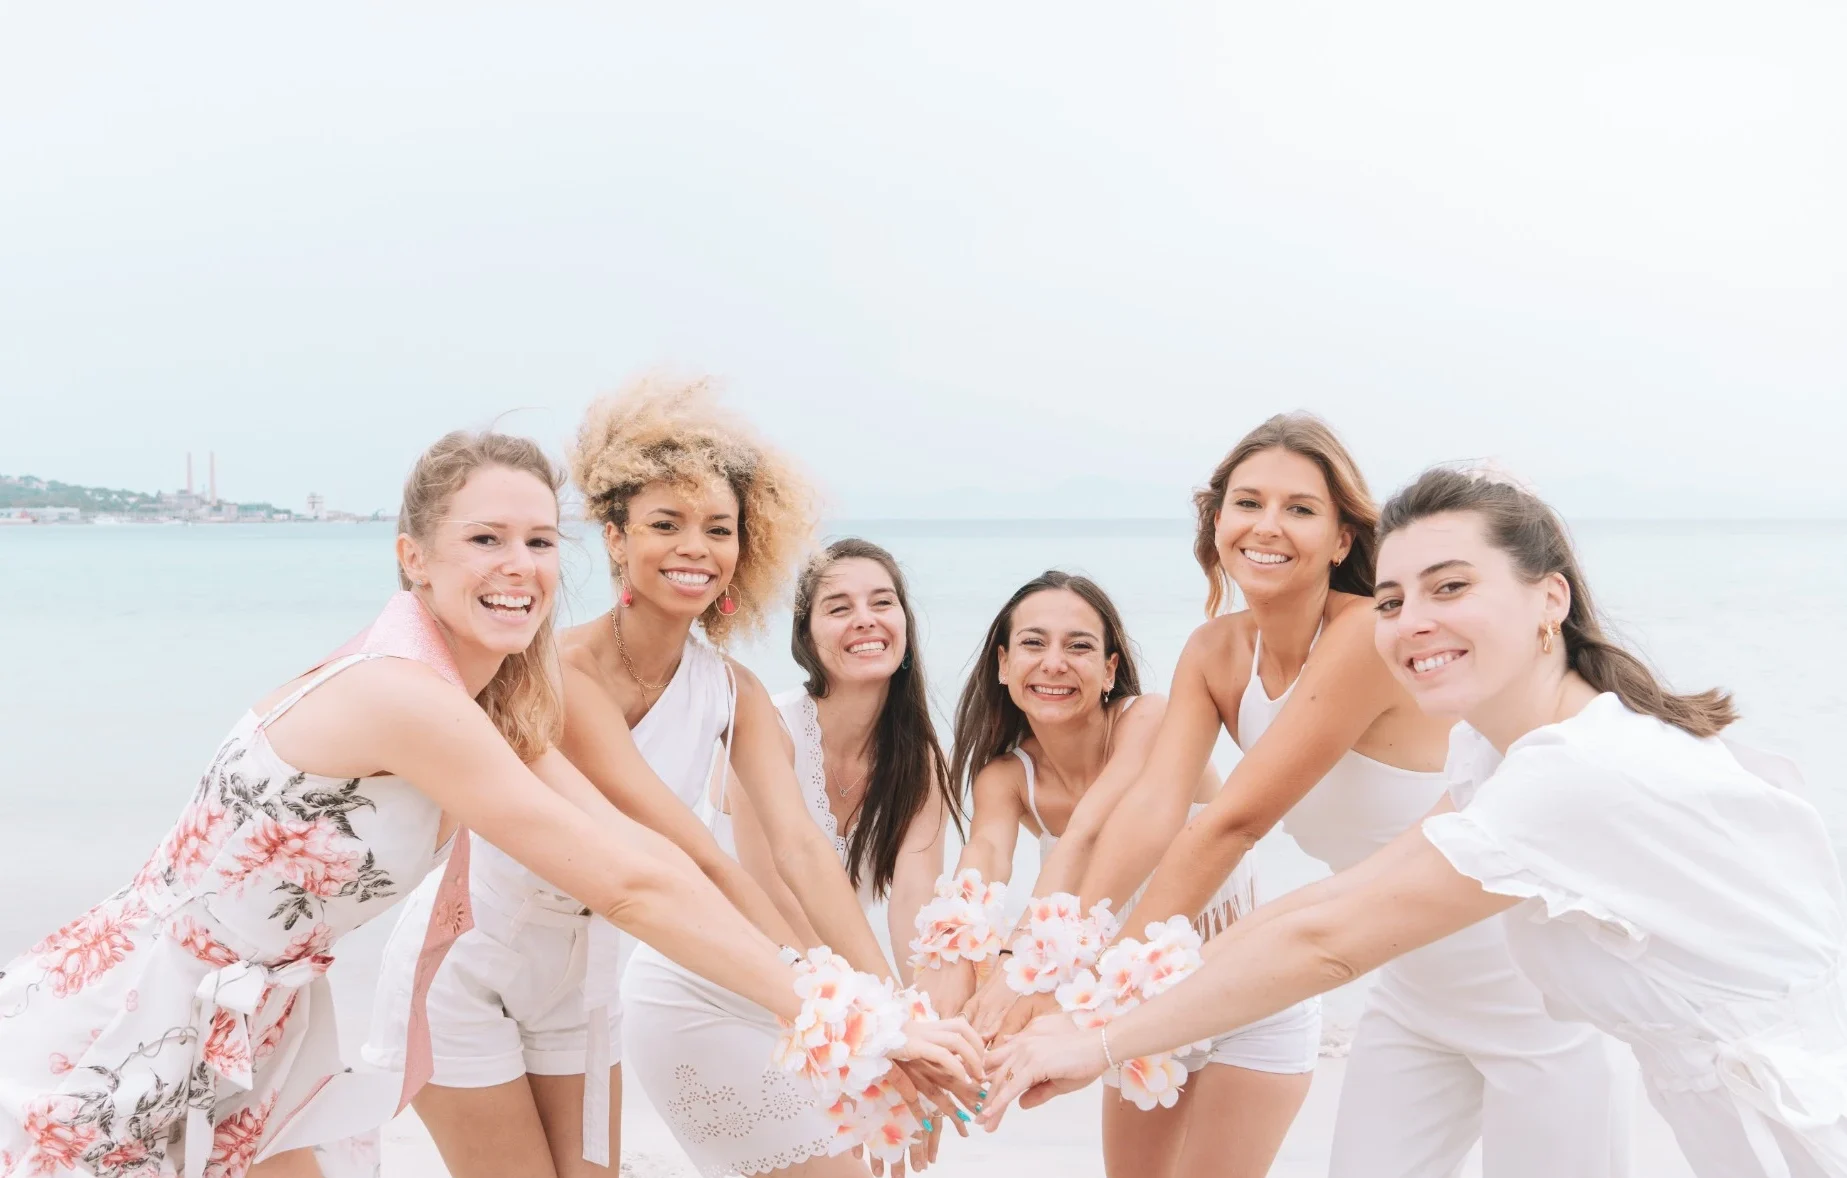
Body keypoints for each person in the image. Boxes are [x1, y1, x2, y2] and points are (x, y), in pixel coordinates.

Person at [0, 430, 970, 1178]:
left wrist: (863, 1009)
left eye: (538, 539)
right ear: (412, 556)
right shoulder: (404, 694)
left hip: (269, 1019)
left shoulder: (495, 697)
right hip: (139, 1016)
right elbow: (633, 880)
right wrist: (851, 1020)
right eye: (484, 539)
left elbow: (670, 866)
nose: (520, 563)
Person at [982, 464, 1847, 1178]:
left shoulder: (1572, 773)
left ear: (1549, 599)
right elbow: (1344, 896)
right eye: (1391, 599)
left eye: (1451, 587)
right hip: (1647, 1080)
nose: (1409, 623)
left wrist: (1099, 1038)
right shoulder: (1491, 747)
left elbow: (1332, 941)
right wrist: (1099, 1006)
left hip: (1791, 1110)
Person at [927, 570, 1315, 1178]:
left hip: (1247, 996)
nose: (1054, 662)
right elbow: (981, 866)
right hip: (1135, 1010)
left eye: (1078, 646)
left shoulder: (1154, 721)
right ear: (1002, 665)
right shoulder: (1006, 777)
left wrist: (1020, 966)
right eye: (1033, 643)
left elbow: (1083, 836)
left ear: (1110, 670)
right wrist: (948, 993)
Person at [723, 538, 969, 1171]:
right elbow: (780, 902)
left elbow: (914, 918)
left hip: (823, 1009)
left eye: (882, 602)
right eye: (838, 606)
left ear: (905, 627)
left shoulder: (919, 767)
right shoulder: (765, 732)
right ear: (806, 638)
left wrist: (925, 1057)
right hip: (723, 995)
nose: (865, 618)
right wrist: (880, 1044)